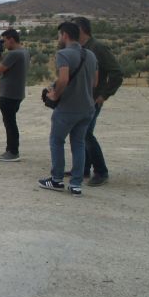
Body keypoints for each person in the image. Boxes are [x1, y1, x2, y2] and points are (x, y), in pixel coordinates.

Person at [38, 22, 98, 196]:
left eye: (59, 35)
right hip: (87, 108)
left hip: (68, 109)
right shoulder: (91, 55)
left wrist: (55, 94)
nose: (58, 39)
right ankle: (76, 185)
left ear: (64, 35)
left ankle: (56, 180)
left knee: (56, 141)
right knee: (78, 144)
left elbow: (63, 79)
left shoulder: (63, 54)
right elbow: (94, 82)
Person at [72, 17, 123, 186]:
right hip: (82, 99)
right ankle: (83, 169)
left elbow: (117, 73)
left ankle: (101, 171)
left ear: (81, 29)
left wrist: (104, 95)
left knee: (85, 133)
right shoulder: (80, 48)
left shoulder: (98, 48)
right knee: (82, 133)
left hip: (93, 100)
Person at [0, 28, 30, 162]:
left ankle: (13, 151)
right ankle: (11, 149)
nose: (4, 44)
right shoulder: (24, 52)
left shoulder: (14, 54)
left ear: (11, 39)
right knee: (10, 122)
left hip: (9, 95)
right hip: (17, 93)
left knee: (10, 123)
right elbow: (8, 66)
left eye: (5, 40)